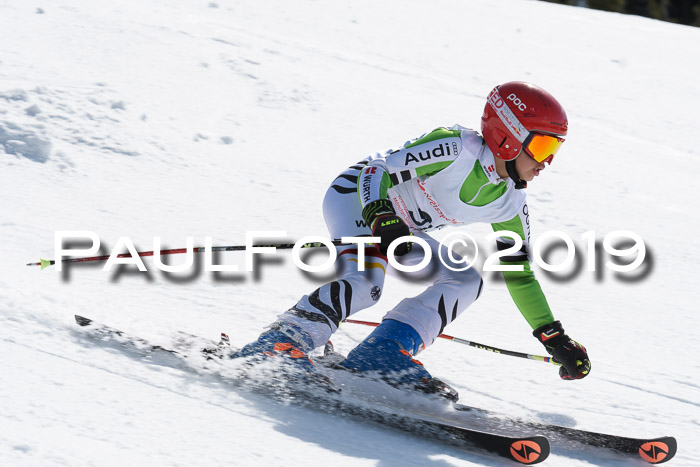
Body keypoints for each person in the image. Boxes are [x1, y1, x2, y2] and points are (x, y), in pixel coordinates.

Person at [235, 81, 591, 399]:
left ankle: (383, 353)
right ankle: (281, 341)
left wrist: (553, 336)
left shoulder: (509, 201)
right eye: (542, 146)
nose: (546, 162)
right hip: (358, 197)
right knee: (366, 283)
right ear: (508, 135)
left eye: (554, 150)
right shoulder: (457, 148)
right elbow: (378, 170)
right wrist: (381, 214)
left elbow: (519, 273)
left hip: (400, 227)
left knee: (466, 278)